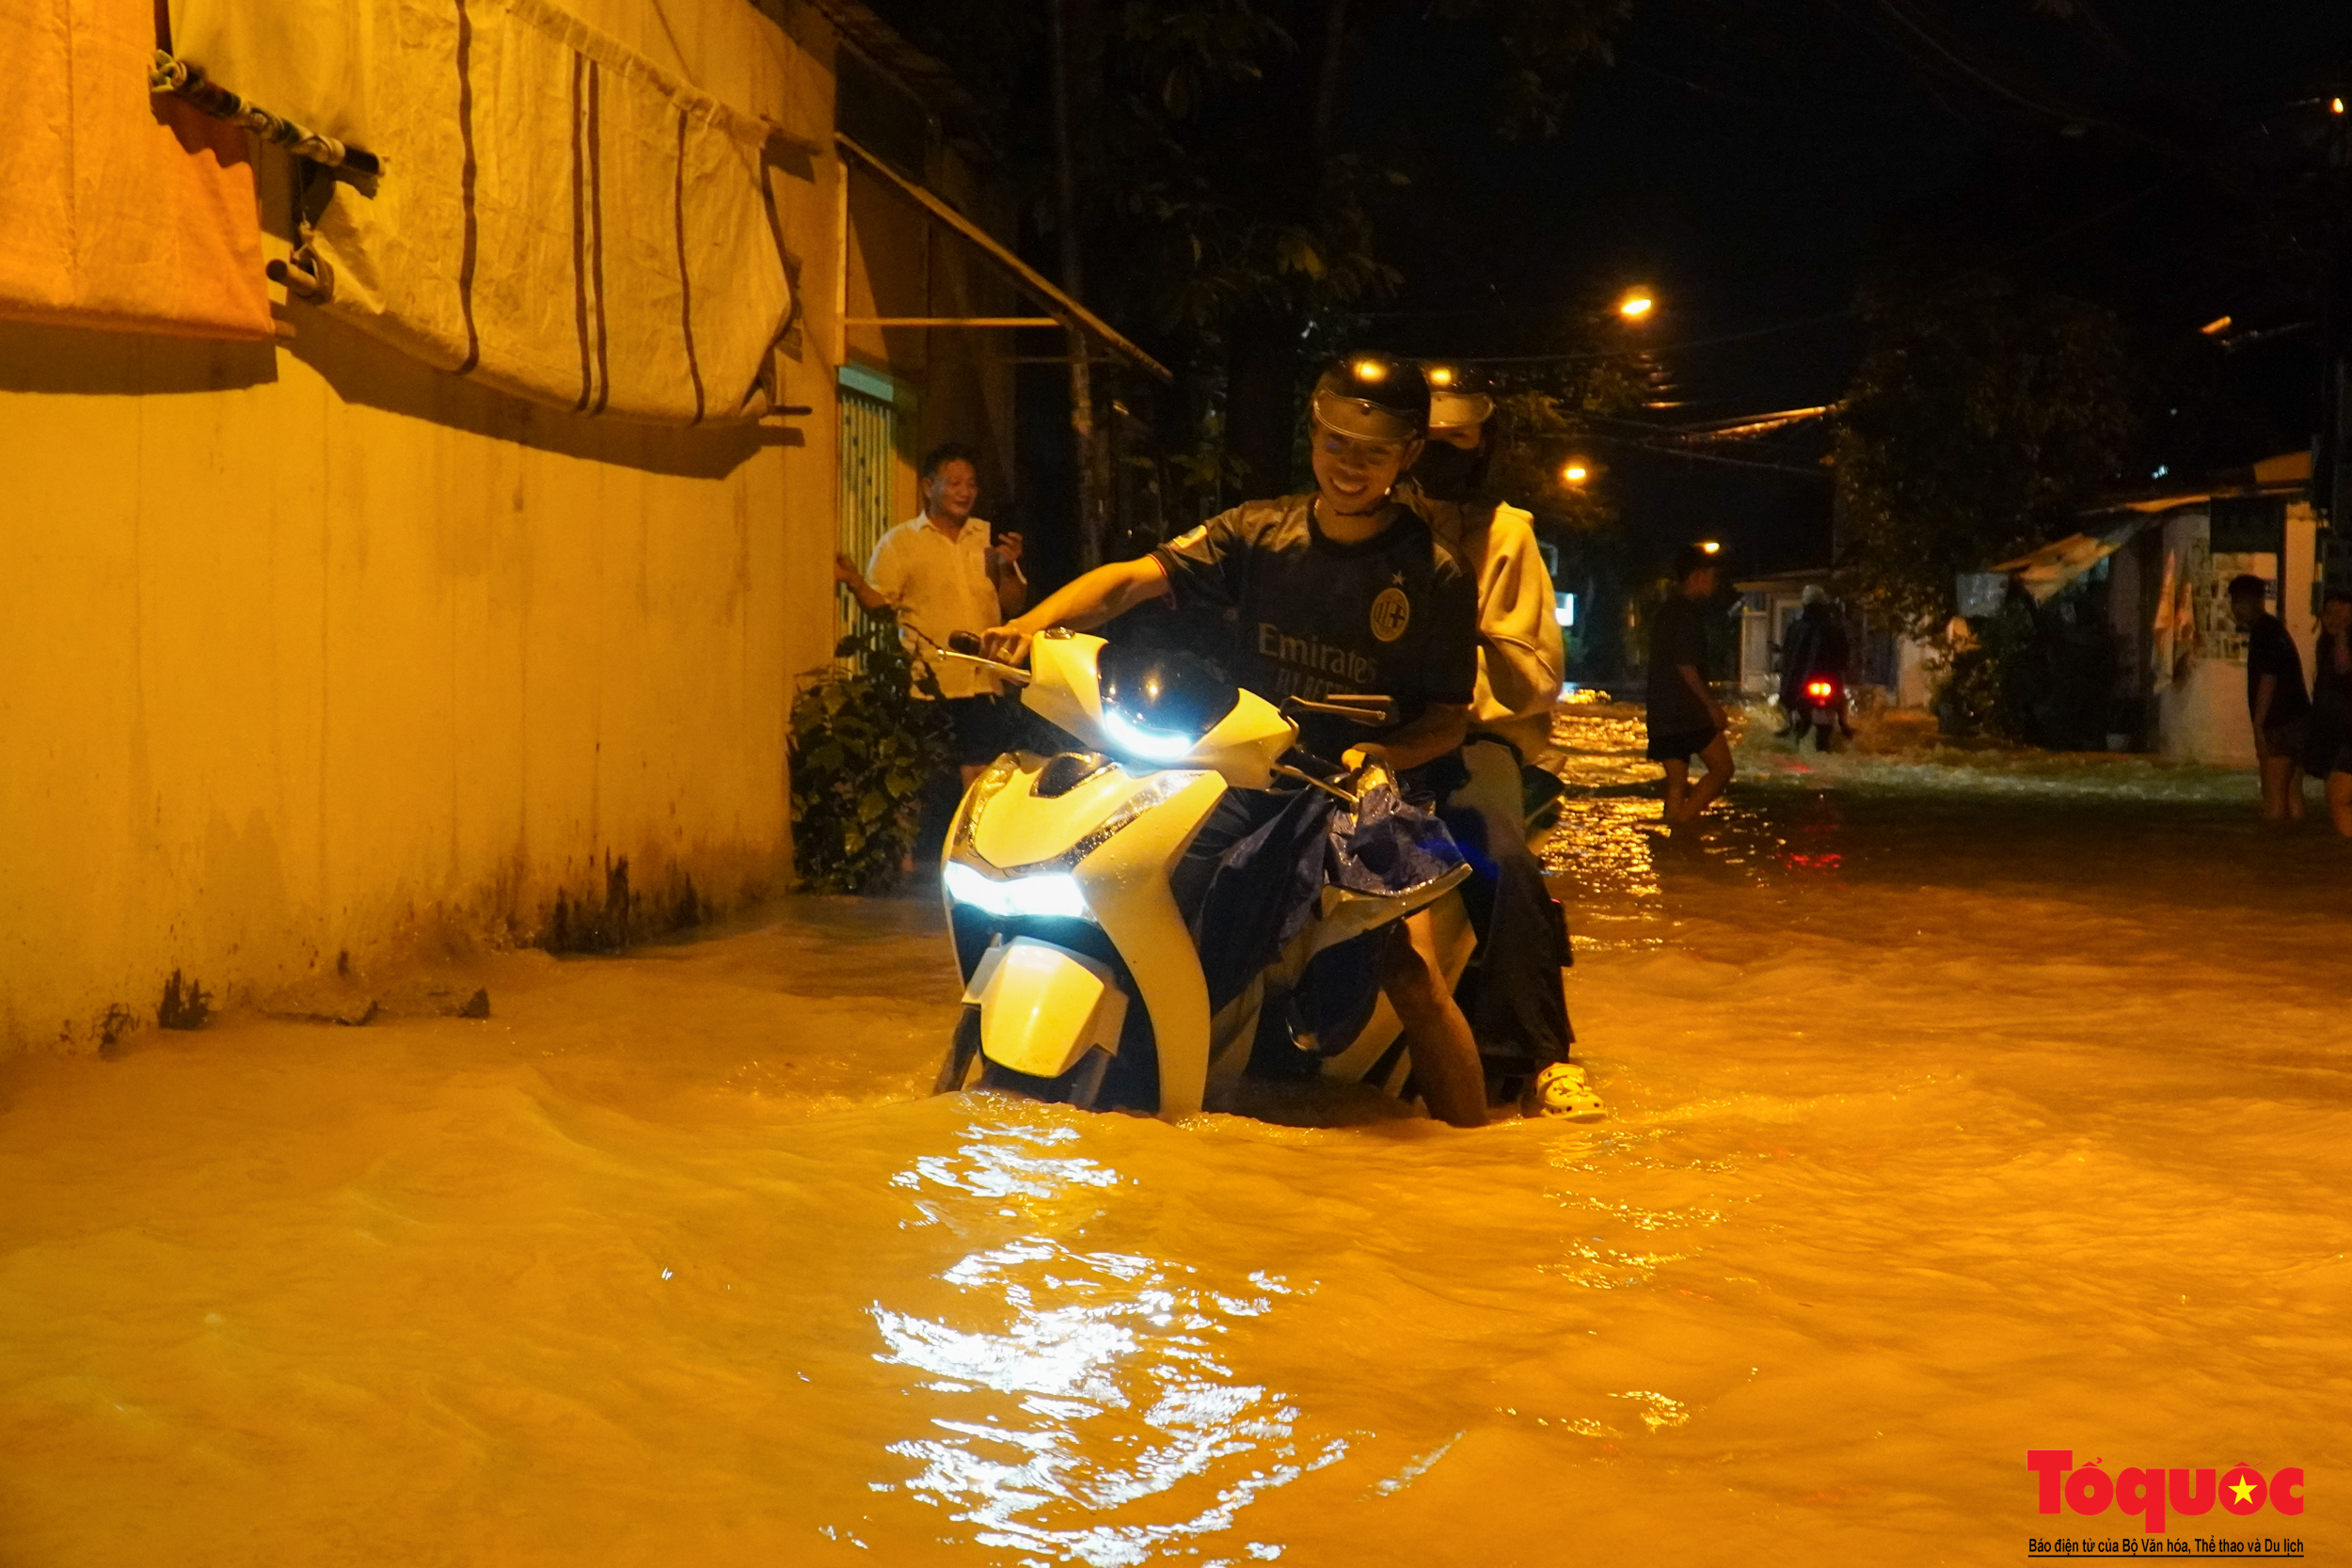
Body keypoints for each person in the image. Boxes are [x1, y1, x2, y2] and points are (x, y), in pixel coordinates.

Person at [980, 355, 1490, 1127]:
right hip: (1242, 765)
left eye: (1373, 450)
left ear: (1408, 455)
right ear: (1313, 436)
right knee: (1121, 876)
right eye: (1336, 443)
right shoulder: (1257, 530)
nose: (1350, 465)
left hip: (1363, 787)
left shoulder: (1435, 572)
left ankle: (1477, 1154)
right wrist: (1024, 630)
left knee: (1407, 968)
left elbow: (1449, 718)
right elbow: (1128, 581)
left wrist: (1383, 755)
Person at [1404, 361, 1565, 855]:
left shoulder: (1506, 533)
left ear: (1484, 444)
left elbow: (1527, 676)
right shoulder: (1371, 523)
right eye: (1428, 437)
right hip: (1373, 735)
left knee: (1489, 862)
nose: (1439, 450)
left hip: (1476, 743)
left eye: (1457, 438)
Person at [835, 442, 1028, 784]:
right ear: (929, 487)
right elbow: (882, 606)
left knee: (983, 778)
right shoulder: (901, 542)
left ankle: (973, 839)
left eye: (971, 484)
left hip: (984, 682)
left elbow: (1013, 605)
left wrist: (1008, 567)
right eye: (954, 483)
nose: (965, 492)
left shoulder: (987, 537)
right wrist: (854, 581)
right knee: (935, 781)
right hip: (929, 686)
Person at [1646, 545, 1734, 824]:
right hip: (1687, 712)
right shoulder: (1686, 614)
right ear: (1697, 576)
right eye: (1712, 576)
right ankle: (1682, 824)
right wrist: (1712, 707)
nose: (1714, 582)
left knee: (1676, 784)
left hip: (1661, 712)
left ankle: (1672, 847)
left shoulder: (1666, 611)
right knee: (1722, 769)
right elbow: (1687, 667)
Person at [2228, 573, 2311, 824]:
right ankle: (2296, 849)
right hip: (2299, 719)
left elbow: (2267, 680)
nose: (2236, 609)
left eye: (2239, 602)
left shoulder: (2263, 633)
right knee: (2293, 792)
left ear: (2255, 601)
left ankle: (2274, 849)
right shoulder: (2277, 630)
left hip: (2278, 723)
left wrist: (2258, 726)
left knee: (2273, 796)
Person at [1776, 585, 1851, 742]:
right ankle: (1844, 724)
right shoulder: (1835, 627)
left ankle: (1789, 725)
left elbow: (1788, 655)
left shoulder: (1796, 627)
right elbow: (1844, 654)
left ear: (1805, 604)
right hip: (1828, 680)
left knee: (1786, 699)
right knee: (1841, 698)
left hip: (1802, 682)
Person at [2307, 587, 2352, 836]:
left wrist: (2343, 632)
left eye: (2343, 615)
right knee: (2337, 794)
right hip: (2337, 734)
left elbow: (2344, 668)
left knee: (2338, 796)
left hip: (2347, 735)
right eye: (2330, 613)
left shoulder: (2341, 643)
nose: (2335, 620)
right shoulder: (2325, 645)